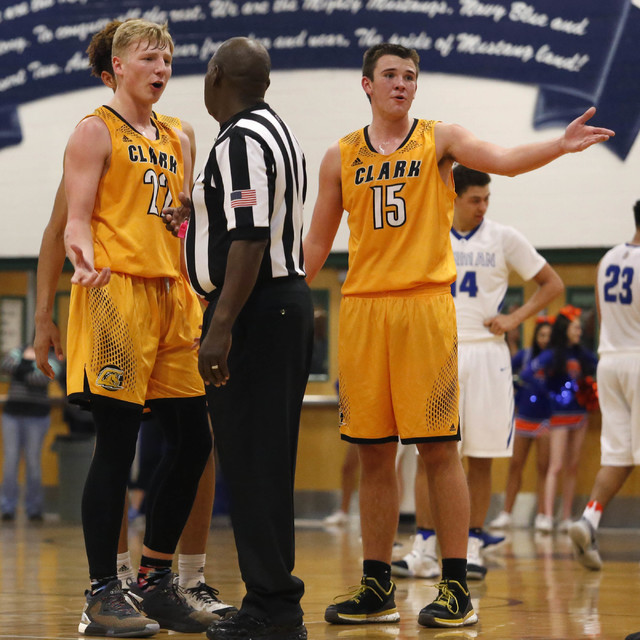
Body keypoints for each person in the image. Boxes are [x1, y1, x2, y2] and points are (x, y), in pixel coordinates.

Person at [302, 42, 612, 628]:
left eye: (410, 76)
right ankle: (376, 588)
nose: (401, 84)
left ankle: (454, 587)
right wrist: (284, 295)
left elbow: (505, 159)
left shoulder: (439, 139)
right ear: (365, 84)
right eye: (390, 75)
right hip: (364, 310)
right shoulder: (339, 156)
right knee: (372, 455)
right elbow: (316, 245)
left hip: (423, 308)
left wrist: (558, 145)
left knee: (439, 450)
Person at [33, 20, 233, 622]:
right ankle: (102, 593)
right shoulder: (94, 131)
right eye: (149, 57)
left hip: (173, 296)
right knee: (116, 446)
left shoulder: (181, 134)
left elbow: (182, 216)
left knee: (194, 439)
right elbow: (73, 218)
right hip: (114, 291)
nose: (162, 68)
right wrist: (81, 254)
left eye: (167, 59)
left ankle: (154, 576)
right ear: (118, 66)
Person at [180, 37, 313, 640]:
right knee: (266, 462)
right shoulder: (277, 130)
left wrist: (222, 327)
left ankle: (275, 609)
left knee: (253, 462)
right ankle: (271, 597)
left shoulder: (239, 140)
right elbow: (242, 222)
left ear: (215, 76)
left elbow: (251, 238)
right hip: (282, 307)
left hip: (256, 312)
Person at [393, 166, 563, 582]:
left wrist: (516, 318)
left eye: (488, 199)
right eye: (475, 199)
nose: (483, 207)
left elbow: (551, 283)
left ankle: (470, 546)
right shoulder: (428, 233)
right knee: (429, 454)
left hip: (488, 353)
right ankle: (425, 548)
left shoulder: (504, 237)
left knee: (482, 456)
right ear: (454, 196)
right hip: (438, 354)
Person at [568, 201, 640, 571]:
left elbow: (598, 311)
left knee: (618, 454)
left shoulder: (608, 259)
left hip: (609, 361)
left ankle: (589, 520)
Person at [523, 306, 598, 533]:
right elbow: (527, 373)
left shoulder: (582, 354)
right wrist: (547, 392)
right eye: (576, 327)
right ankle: (546, 516)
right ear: (565, 329)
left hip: (579, 415)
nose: (579, 332)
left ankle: (565, 516)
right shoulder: (553, 354)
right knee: (555, 466)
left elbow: (598, 366)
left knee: (572, 467)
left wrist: (590, 388)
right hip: (558, 416)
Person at [490, 318, 554, 531]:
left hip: (546, 420)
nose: (545, 340)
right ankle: (506, 513)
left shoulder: (554, 360)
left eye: (549, 336)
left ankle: (543, 515)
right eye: (542, 335)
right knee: (515, 466)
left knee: (543, 468)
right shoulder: (526, 355)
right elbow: (505, 369)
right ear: (536, 336)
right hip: (524, 418)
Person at [0, 343, 62, 521]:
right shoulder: (18, 350)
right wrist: (29, 367)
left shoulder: (51, 358)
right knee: (10, 462)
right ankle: (7, 508)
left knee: (33, 463)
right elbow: (5, 365)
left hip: (37, 416)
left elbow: (43, 378)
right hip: (12, 415)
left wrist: (20, 368)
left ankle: (34, 509)